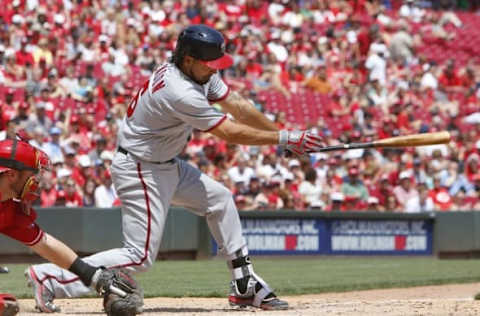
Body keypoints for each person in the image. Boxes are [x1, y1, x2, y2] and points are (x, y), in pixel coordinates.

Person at [28, 24, 324, 311]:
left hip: (164, 164)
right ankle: (50, 278)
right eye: (210, 63)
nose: (215, 68)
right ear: (189, 59)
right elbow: (228, 132)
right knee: (139, 256)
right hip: (140, 169)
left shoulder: (196, 73)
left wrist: (283, 137)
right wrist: (285, 137)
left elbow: (236, 104)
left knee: (220, 200)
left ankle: (244, 284)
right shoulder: (179, 90)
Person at [0, 139, 142, 315]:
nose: (35, 181)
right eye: (31, 174)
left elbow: (44, 244)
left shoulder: (7, 207)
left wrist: (93, 276)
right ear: (12, 175)